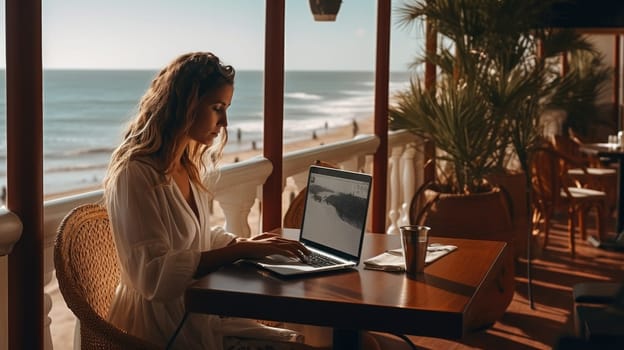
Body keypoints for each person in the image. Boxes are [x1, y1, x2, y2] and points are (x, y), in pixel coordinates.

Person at [102, 52, 311, 349]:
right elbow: (153, 276)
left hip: (197, 311)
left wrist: (241, 245)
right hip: (162, 327)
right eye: (216, 108)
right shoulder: (135, 175)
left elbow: (196, 239)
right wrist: (240, 251)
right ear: (185, 105)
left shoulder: (185, 167)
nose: (224, 122)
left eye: (225, 109)